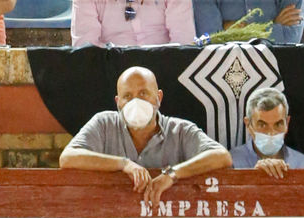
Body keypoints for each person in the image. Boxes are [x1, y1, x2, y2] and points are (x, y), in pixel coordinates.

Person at [59, 63, 232, 207]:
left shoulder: (179, 130)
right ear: (118, 103)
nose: (136, 102)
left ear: (158, 97)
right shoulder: (104, 124)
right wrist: (123, 164)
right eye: (128, 96)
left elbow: (221, 156)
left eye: (143, 93)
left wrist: (172, 174)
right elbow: (68, 158)